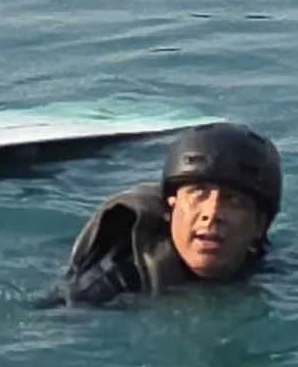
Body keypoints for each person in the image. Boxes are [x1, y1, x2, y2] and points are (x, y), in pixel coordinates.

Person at [40, 123, 282, 308]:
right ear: (172, 207)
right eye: (198, 193)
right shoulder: (109, 285)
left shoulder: (272, 270)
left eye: (234, 201)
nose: (212, 213)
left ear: (259, 225)